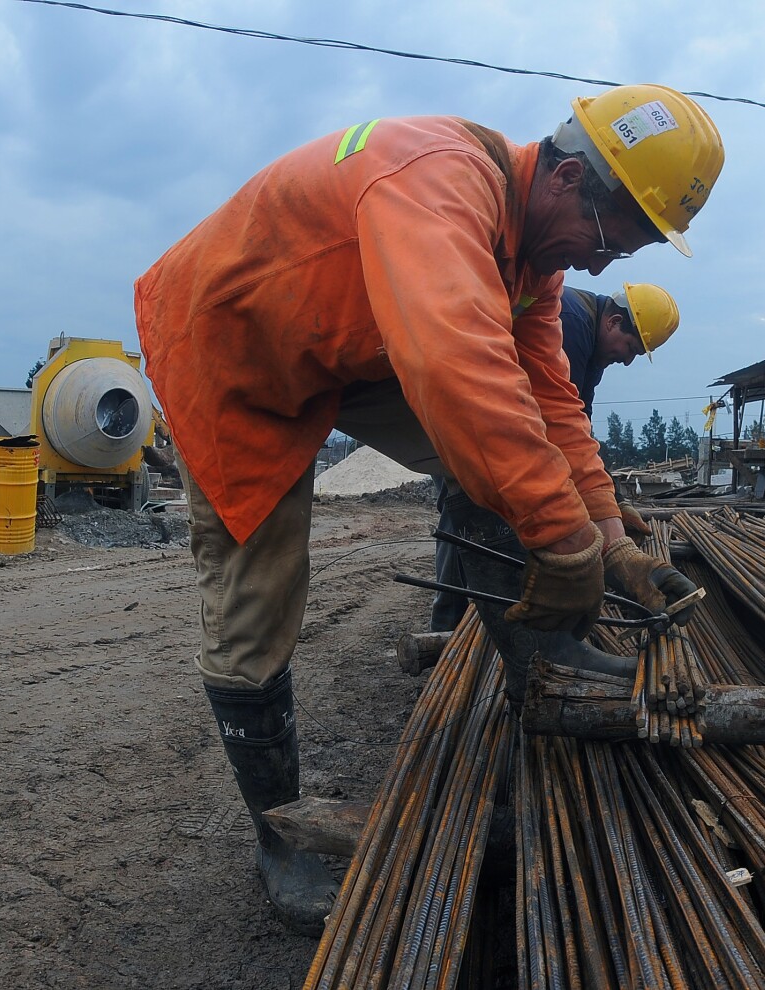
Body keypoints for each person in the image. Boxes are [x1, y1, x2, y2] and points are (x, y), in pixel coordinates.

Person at [134, 84, 723, 935]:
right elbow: (458, 371)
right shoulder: (437, 184)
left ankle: (542, 669)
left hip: (344, 339)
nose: (601, 268)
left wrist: (605, 532)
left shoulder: (535, 259)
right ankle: (280, 834)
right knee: (255, 599)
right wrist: (558, 544)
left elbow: (549, 398)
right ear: (564, 180)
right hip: (233, 346)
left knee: (497, 455)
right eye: (609, 242)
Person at [428, 281, 680, 632]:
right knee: (468, 513)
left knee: (490, 517)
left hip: (498, 419)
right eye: (631, 349)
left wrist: (612, 500)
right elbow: (549, 421)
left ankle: (487, 614)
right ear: (614, 322)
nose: (627, 360)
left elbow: (577, 427)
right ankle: (447, 623)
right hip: (464, 412)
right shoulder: (571, 322)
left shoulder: (592, 344)